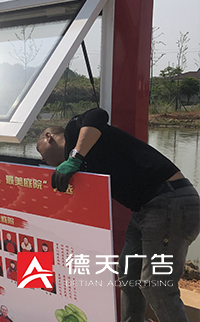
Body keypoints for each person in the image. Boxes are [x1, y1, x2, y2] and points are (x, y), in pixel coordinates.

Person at [36, 107, 200, 322]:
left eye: (39, 151)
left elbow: (98, 114)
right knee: (128, 274)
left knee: (155, 285)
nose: (42, 158)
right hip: (145, 209)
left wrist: (75, 156)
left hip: (170, 200)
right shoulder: (80, 167)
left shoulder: (74, 131)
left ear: (48, 137)